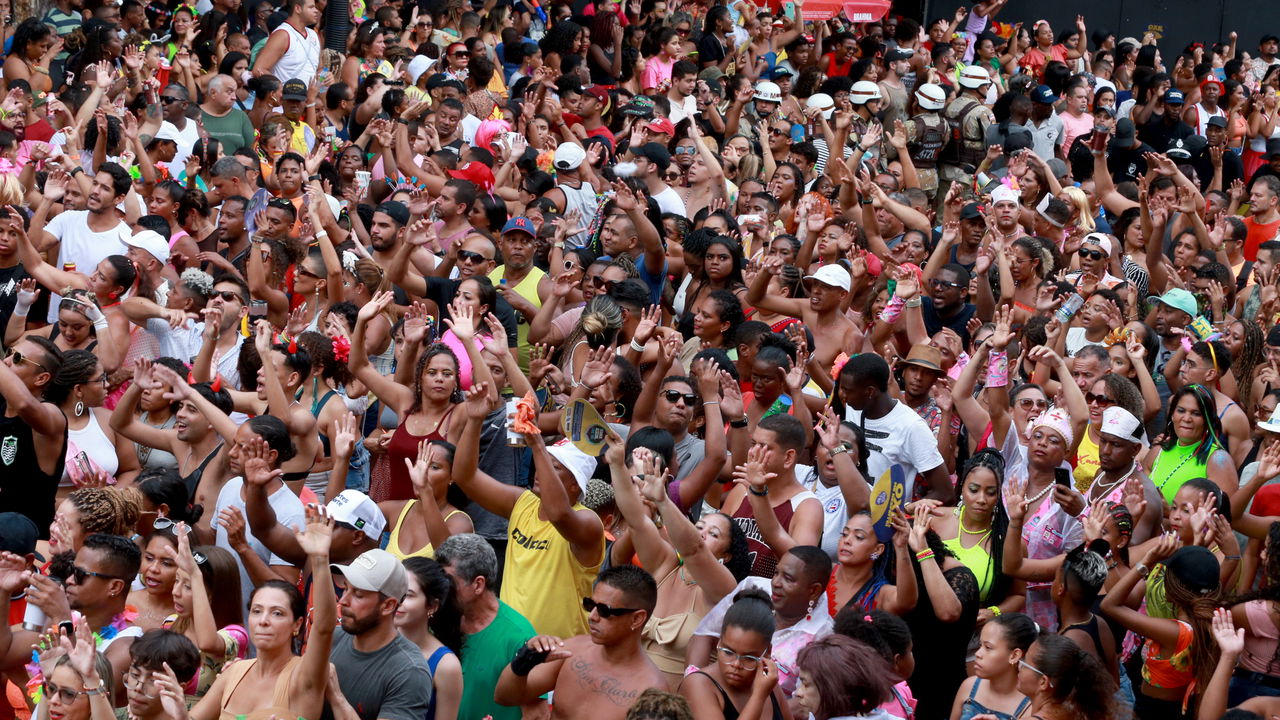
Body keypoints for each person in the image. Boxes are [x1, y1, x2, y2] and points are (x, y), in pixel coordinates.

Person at [495, 565, 666, 720]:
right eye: (590, 604)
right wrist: (522, 663)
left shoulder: (652, 691)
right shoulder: (572, 650)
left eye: (604, 610)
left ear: (637, 619)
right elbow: (505, 698)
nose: (592, 616)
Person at [435, 533, 542, 720]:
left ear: (478, 584)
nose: (440, 588)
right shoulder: (440, 620)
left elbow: (536, 714)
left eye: (449, 581)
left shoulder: (518, 636)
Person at [327, 548, 433, 720]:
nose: (343, 601)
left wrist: (336, 697)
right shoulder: (333, 638)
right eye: (345, 589)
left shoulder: (410, 672)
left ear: (388, 606)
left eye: (358, 594)